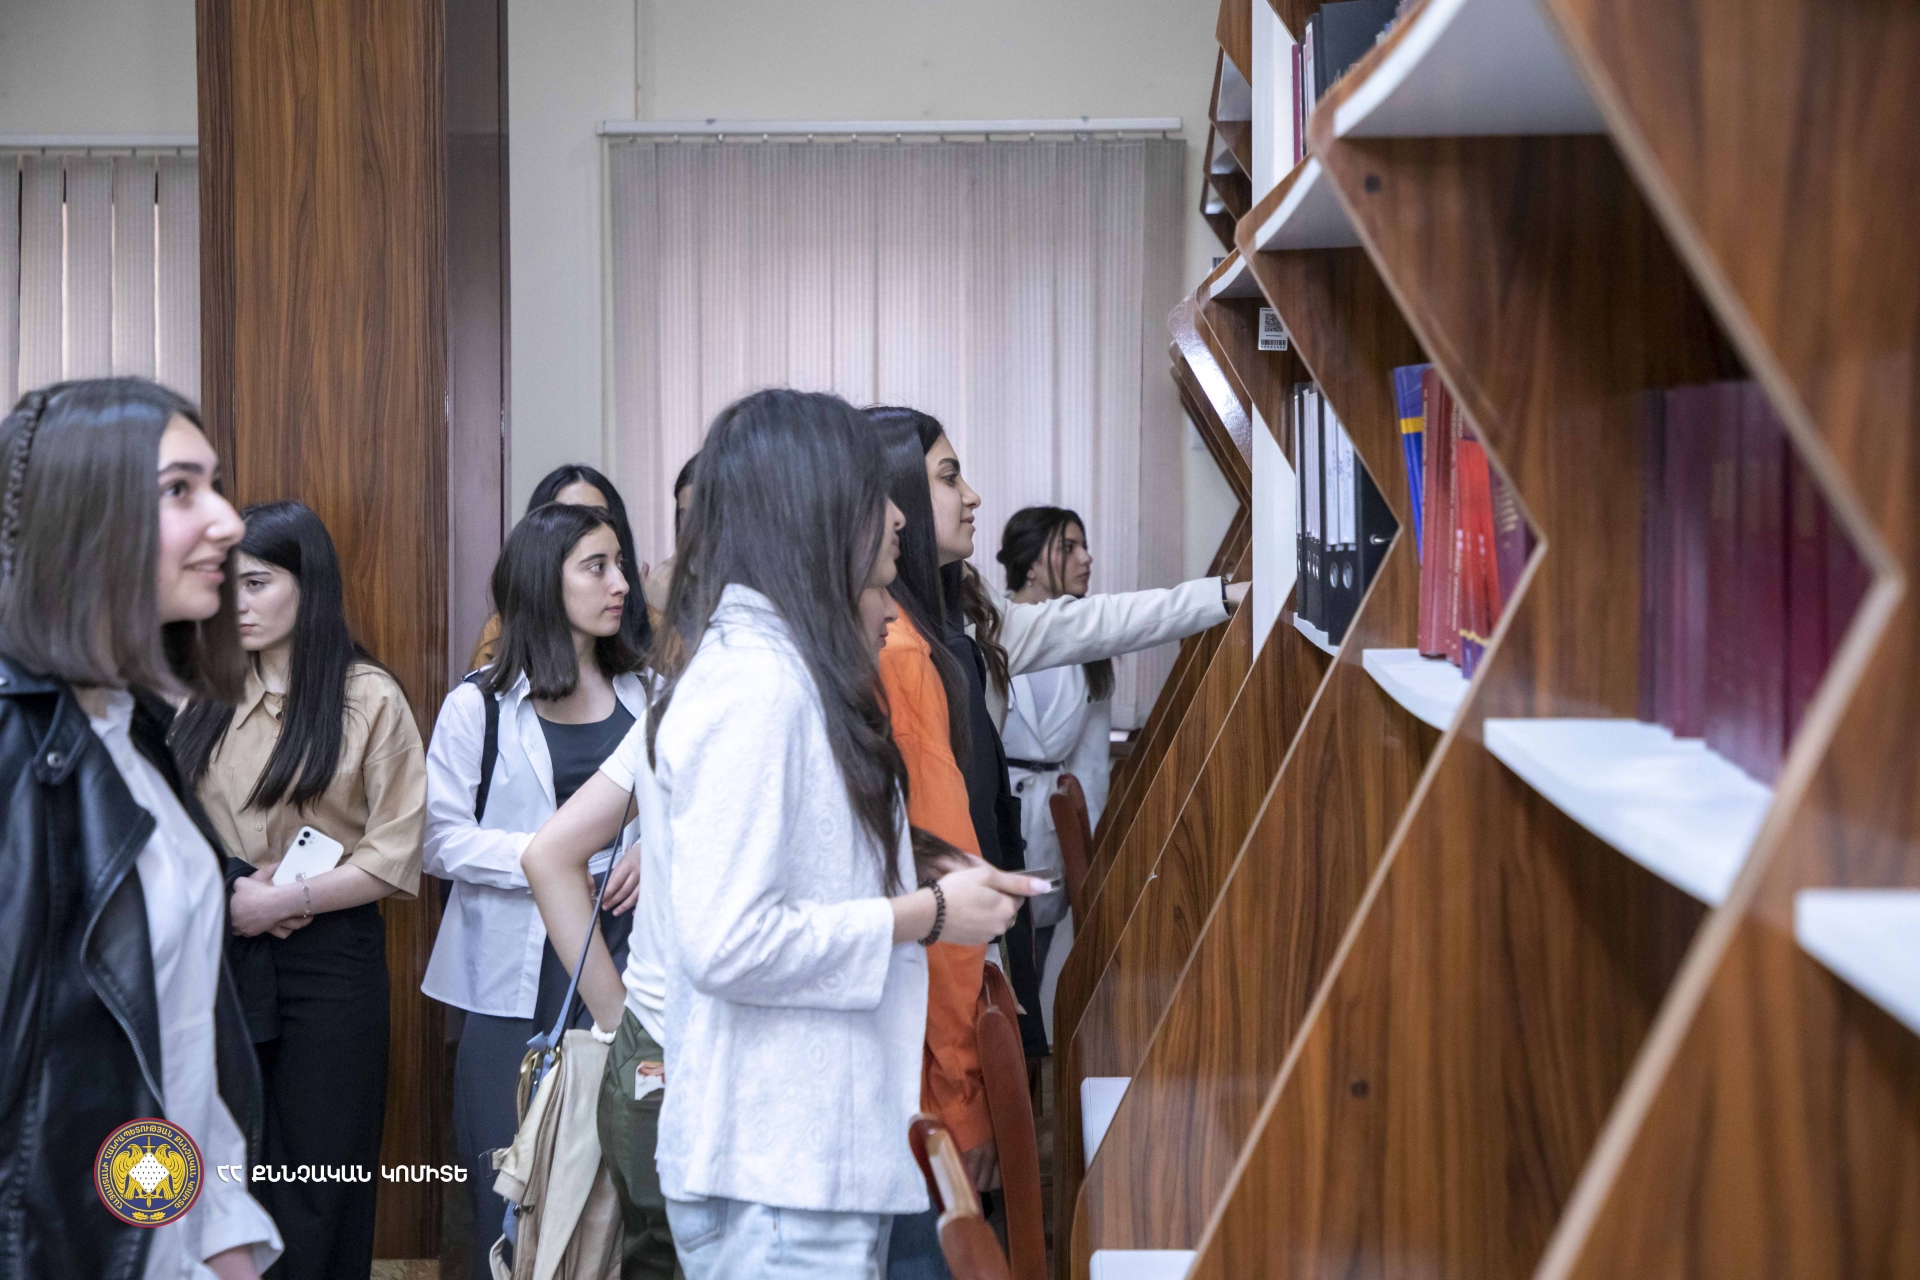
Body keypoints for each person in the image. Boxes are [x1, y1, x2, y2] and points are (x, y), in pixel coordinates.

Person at [519, 388, 1045, 1280]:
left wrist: (926, 866)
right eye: (871, 493)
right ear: (812, 508)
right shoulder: (756, 686)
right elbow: (731, 940)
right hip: (776, 1175)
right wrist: (926, 912)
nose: (896, 516)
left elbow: (799, 857)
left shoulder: (780, 667)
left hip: (799, 1154)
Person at [0, 378, 281, 1278]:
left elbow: (172, 1059)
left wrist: (221, 1239)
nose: (228, 521)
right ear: (84, 515)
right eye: (179, 490)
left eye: (215, 485)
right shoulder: (17, 746)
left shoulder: (129, 732)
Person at [865, 406, 1248, 1062]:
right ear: (898, 495)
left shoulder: (968, 615)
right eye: (950, 478)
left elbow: (1098, 622)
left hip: (986, 870)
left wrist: (1220, 599)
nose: (972, 496)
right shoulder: (883, 639)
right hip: (938, 905)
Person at [169, 501, 424, 1280]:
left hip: (331, 958)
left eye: (257, 583)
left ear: (308, 586)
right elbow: (165, 825)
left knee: (320, 1177)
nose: (237, 603)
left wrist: (282, 902)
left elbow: (396, 851)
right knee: (225, 1165)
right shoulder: (199, 691)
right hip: (220, 948)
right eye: (228, 585)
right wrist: (234, 892)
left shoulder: (368, 697)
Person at [422, 503, 649, 1280]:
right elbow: (438, 840)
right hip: (509, 982)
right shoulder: (479, 703)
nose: (621, 584)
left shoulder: (649, 695)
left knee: (613, 1195)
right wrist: (549, 858)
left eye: (620, 564)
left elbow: (688, 810)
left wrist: (648, 851)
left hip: (623, 959)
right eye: (597, 567)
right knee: (509, 1196)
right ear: (545, 582)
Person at [996, 507, 1112, 974]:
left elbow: (1092, 767)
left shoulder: (1092, 645)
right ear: (1031, 563)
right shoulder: (987, 630)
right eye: (1069, 547)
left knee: (1034, 966)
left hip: (1048, 836)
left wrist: (1088, 860)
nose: (1086, 558)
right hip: (993, 822)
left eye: (1085, 546)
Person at [469, 463, 653, 670]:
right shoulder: (499, 635)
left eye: (598, 517)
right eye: (567, 517)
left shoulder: (653, 628)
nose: (585, 527)